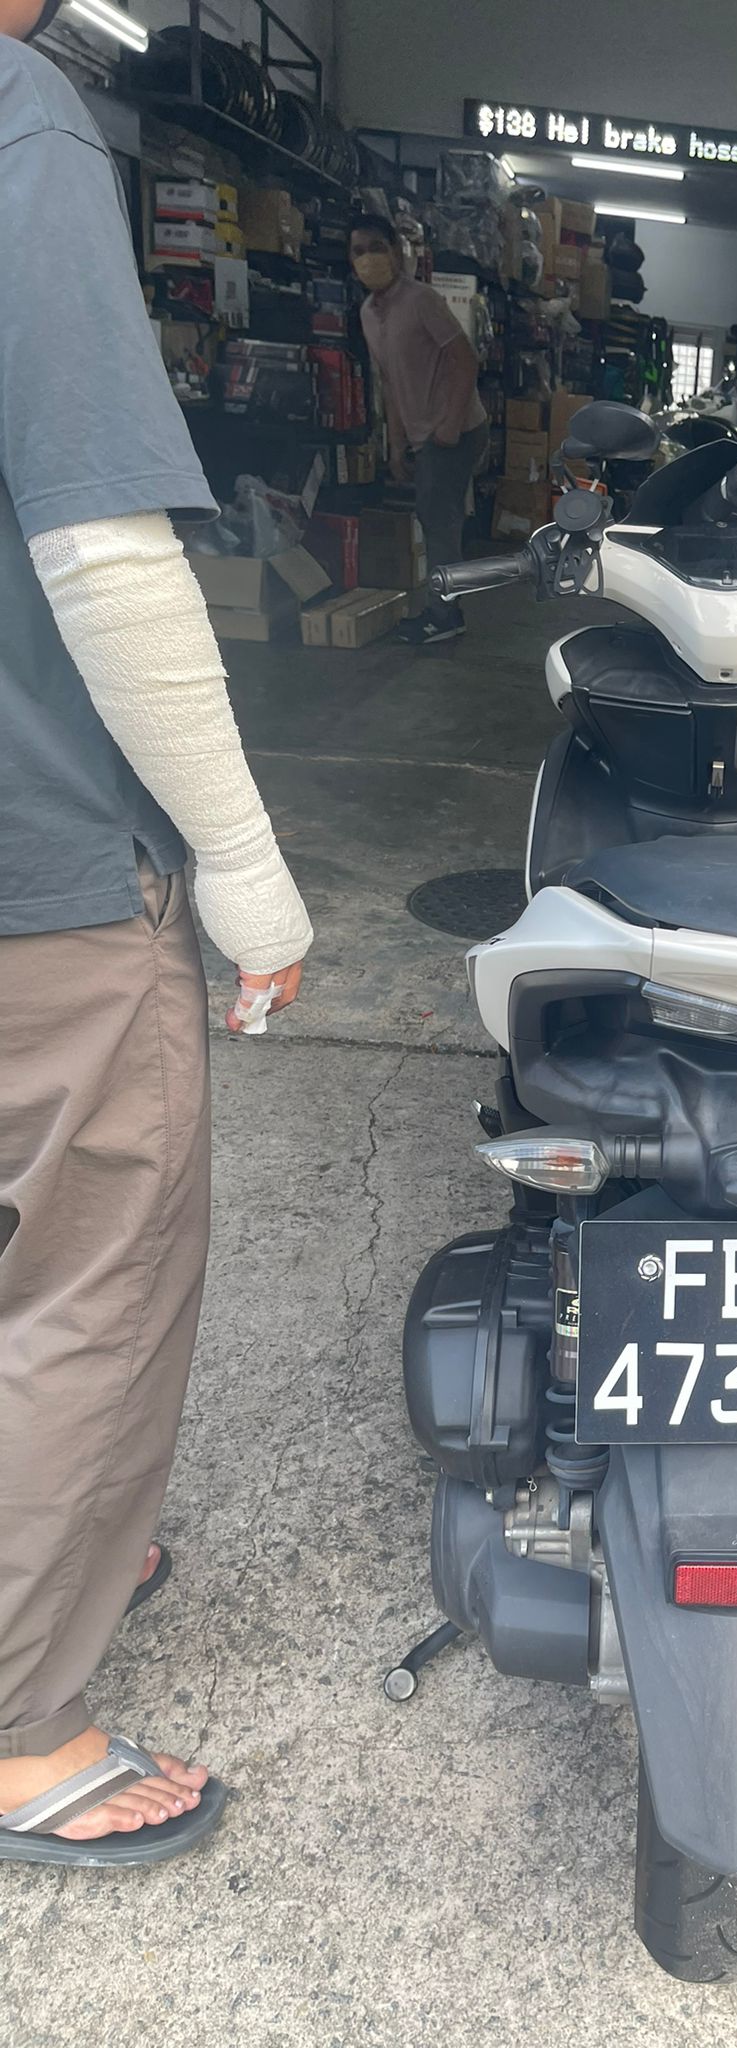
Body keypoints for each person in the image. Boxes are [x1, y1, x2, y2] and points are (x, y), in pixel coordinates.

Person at [0, 2, 312, 1864]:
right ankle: (20, 1729)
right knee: (90, 1280)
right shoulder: (20, 123)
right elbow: (104, 553)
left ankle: (63, 1536)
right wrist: (246, 865)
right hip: (33, 862)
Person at [349, 212, 490, 646]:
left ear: (396, 250)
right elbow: (389, 382)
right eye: (358, 251)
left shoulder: (421, 300)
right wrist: (396, 445)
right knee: (437, 520)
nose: (369, 258)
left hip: (455, 430)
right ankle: (446, 611)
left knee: (437, 521)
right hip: (423, 435)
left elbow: (465, 359)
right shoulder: (368, 314)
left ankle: (444, 616)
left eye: (377, 247)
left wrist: (449, 425)